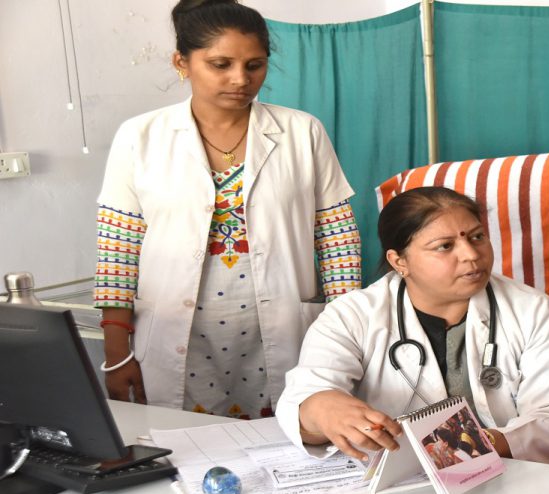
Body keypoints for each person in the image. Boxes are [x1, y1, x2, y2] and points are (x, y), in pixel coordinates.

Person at [276, 187, 549, 494]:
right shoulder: (352, 315)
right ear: (399, 261)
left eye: (477, 237)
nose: (471, 255)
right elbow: (307, 394)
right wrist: (321, 409)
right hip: (408, 493)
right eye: (445, 246)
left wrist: (475, 448)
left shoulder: (530, 310)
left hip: (527, 471)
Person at [93, 0, 360, 419]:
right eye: (221, 65)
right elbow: (117, 251)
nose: (241, 79)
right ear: (182, 63)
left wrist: (347, 340)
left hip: (281, 331)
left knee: (287, 439)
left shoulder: (301, 131)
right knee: (183, 441)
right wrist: (116, 353)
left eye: (255, 65)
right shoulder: (140, 137)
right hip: (178, 336)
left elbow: (338, 242)